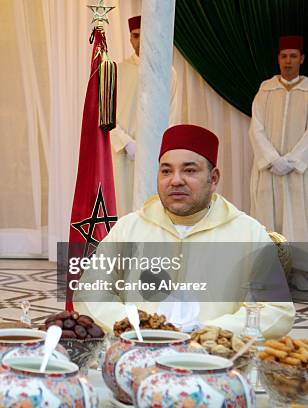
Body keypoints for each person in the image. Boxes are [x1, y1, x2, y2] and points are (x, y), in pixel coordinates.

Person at [74, 124, 295, 338]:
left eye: (189, 170)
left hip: (216, 361)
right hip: (139, 352)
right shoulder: (129, 228)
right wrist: (139, 327)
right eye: (166, 171)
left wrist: (208, 331)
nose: (176, 180)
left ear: (214, 178)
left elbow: (276, 310)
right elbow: (91, 293)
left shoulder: (247, 232)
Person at [249, 35, 307, 291]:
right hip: (269, 169)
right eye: (284, 56)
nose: (288, 61)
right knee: (268, 218)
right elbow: (256, 127)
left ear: (302, 59)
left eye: (293, 56)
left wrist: (293, 160)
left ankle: (300, 272)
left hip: (298, 172)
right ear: (278, 59)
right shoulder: (266, 89)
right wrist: (272, 159)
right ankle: (271, 273)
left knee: (297, 219)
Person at [110, 16, 179, 216]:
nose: (140, 41)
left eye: (144, 35)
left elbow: (170, 116)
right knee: (123, 209)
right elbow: (105, 117)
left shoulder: (168, 73)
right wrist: (126, 143)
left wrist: (156, 147)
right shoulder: (116, 72)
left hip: (155, 155)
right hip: (122, 155)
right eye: (135, 35)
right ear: (130, 39)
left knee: (153, 209)